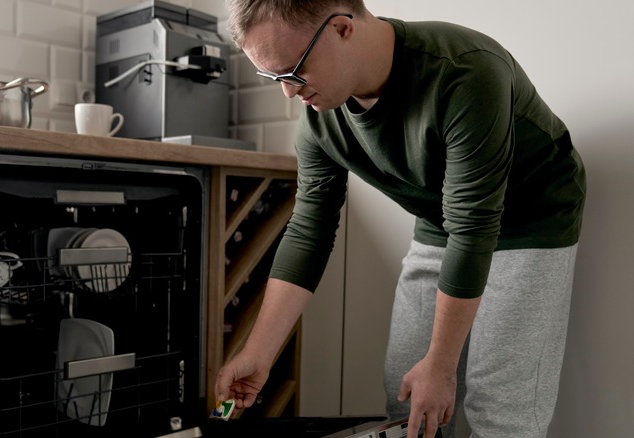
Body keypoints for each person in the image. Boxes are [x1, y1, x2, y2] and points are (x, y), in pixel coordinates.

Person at [216, 1, 586, 437]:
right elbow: (309, 230)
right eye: (274, 77)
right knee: (407, 393)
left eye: (294, 71)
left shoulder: (466, 71)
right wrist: (259, 350)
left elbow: (473, 226)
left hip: (532, 218)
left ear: (340, 29)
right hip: (443, 219)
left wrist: (443, 366)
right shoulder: (320, 119)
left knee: (498, 405)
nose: (289, 92)